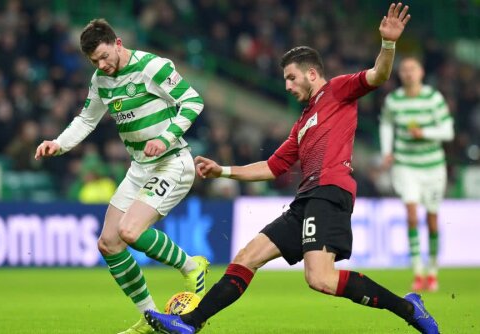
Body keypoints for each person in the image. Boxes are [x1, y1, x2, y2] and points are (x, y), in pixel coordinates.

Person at [145, 3, 439, 334]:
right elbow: (272, 167)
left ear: (311, 73)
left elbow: (379, 75)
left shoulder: (338, 90)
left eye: (290, 77)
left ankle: (409, 308)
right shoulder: (302, 123)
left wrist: (388, 44)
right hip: (306, 199)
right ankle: (189, 323)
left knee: (320, 278)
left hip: (329, 192)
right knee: (247, 256)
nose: (287, 85)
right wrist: (223, 170)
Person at [34, 19, 209, 334]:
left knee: (129, 231)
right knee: (109, 243)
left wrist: (166, 137)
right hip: (139, 168)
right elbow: (86, 120)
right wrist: (57, 144)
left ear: (117, 43)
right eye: (94, 61)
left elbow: (193, 101)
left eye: (104, 56)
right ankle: (151, 318)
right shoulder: (100, 80)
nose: (102, 65)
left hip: (172, 161)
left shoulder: (153, 66)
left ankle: (191, 265)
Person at [379, 56, 454, 292]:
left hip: (432, 166)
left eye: (413, 69)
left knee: (432, 220)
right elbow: (387, 124)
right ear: (400, 74)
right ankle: (417, 270)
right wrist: (387, 151)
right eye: (404, 70)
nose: (408, 73)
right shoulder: (394, 100)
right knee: (411, 215)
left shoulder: (433, 98)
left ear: (421, 72)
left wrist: (424, 133)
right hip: (406, 165)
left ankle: (433, 269)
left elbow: (448, 131)